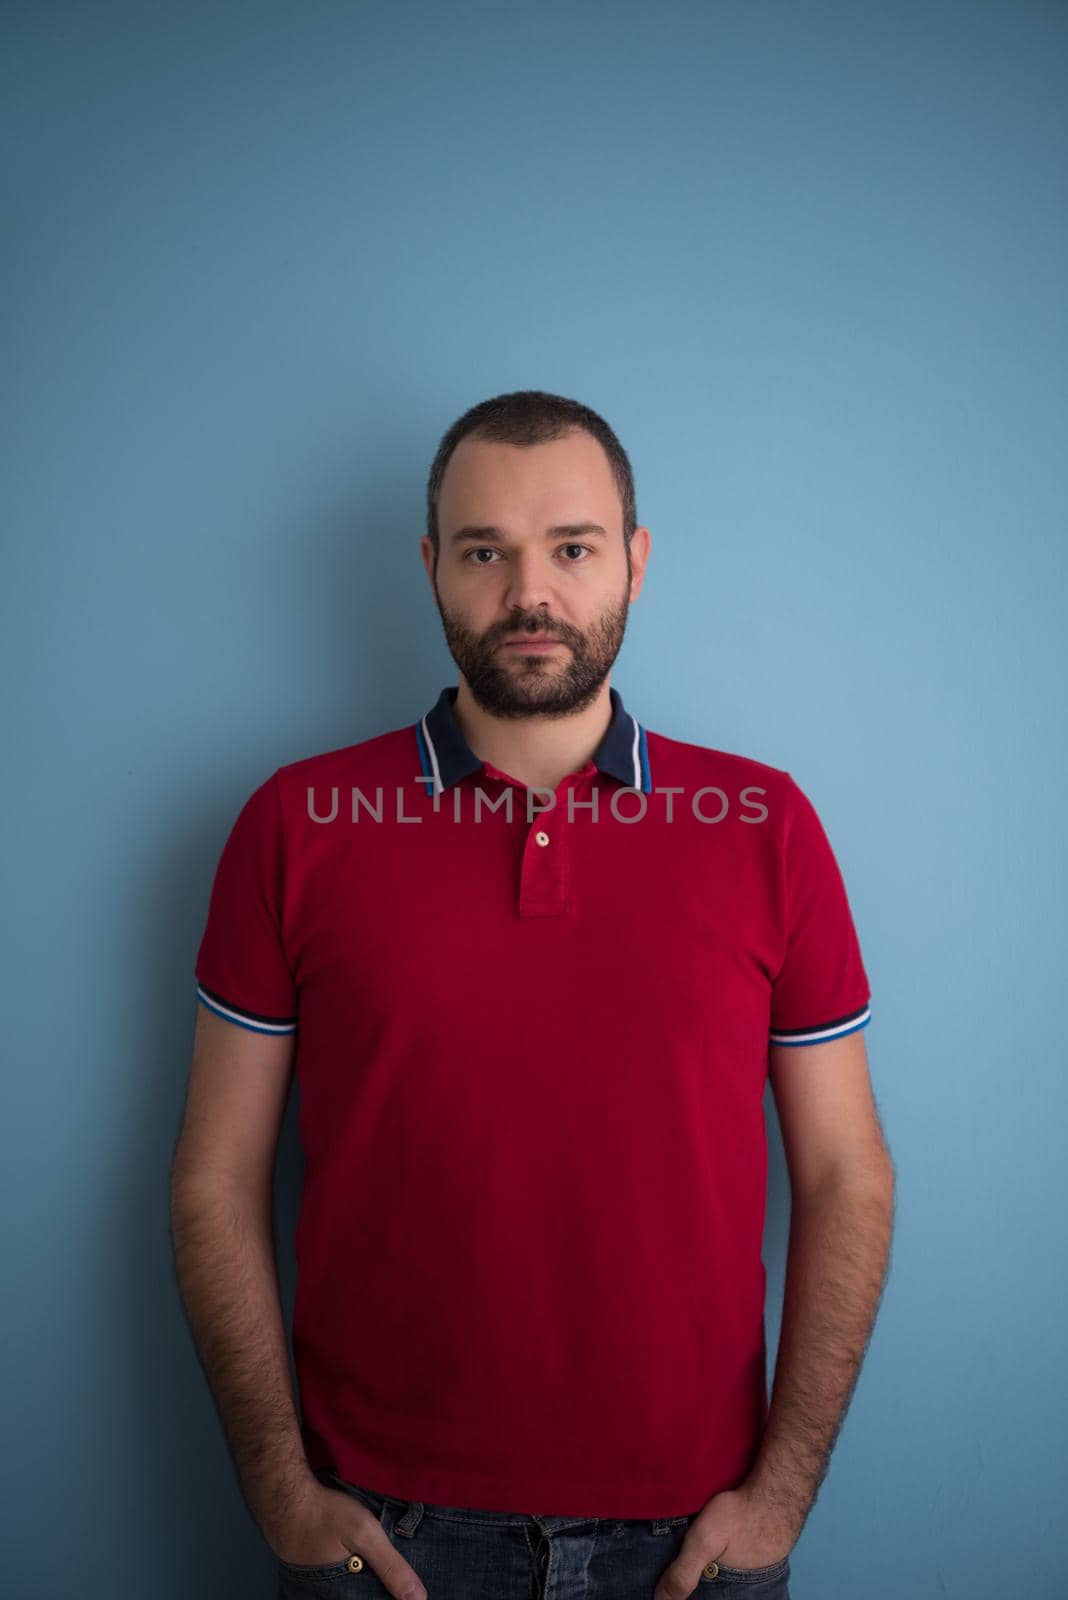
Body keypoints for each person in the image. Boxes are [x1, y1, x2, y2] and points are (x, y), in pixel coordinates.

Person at [170, 390, 894, 1600]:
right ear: (432, 569)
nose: (529, 594)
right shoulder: (295, 825)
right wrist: (280, 1489)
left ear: (635, 561)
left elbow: (847, 1176)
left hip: (688, 1541)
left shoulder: (764, 826)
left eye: (571, 547)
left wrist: (782, 1498)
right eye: (483, 551)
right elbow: (213, 1177)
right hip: (383, 1537)